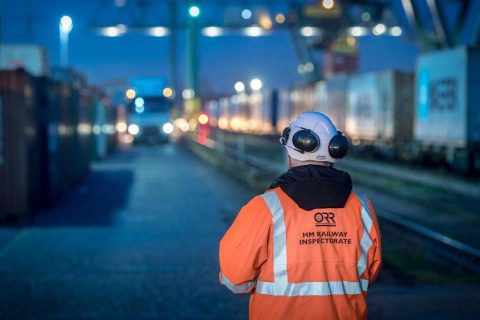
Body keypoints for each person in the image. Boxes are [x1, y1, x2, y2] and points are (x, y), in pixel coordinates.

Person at [218, 112, 382, 320]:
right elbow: (370, 271)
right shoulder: (362, 208)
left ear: (290, 153)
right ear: (335, 150)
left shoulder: (264, 208)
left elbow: (235, 279)